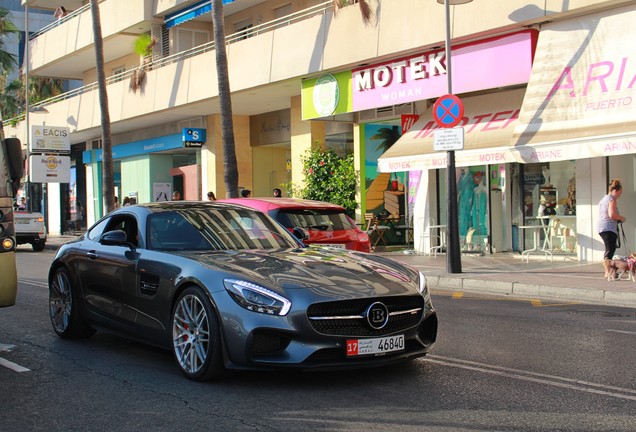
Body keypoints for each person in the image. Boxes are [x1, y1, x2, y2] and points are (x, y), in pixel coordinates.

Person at [597, 179, 626, 278]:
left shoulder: (603, 199)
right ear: (615, 191)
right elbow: (612, 214)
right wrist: (621, 218)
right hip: (608, 227)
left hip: (602, 227)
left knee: (609, 249)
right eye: (619, 193)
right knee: (610, 250)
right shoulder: (611, 200)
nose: (619, 195)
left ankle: (608, 271)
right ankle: (608, 272)